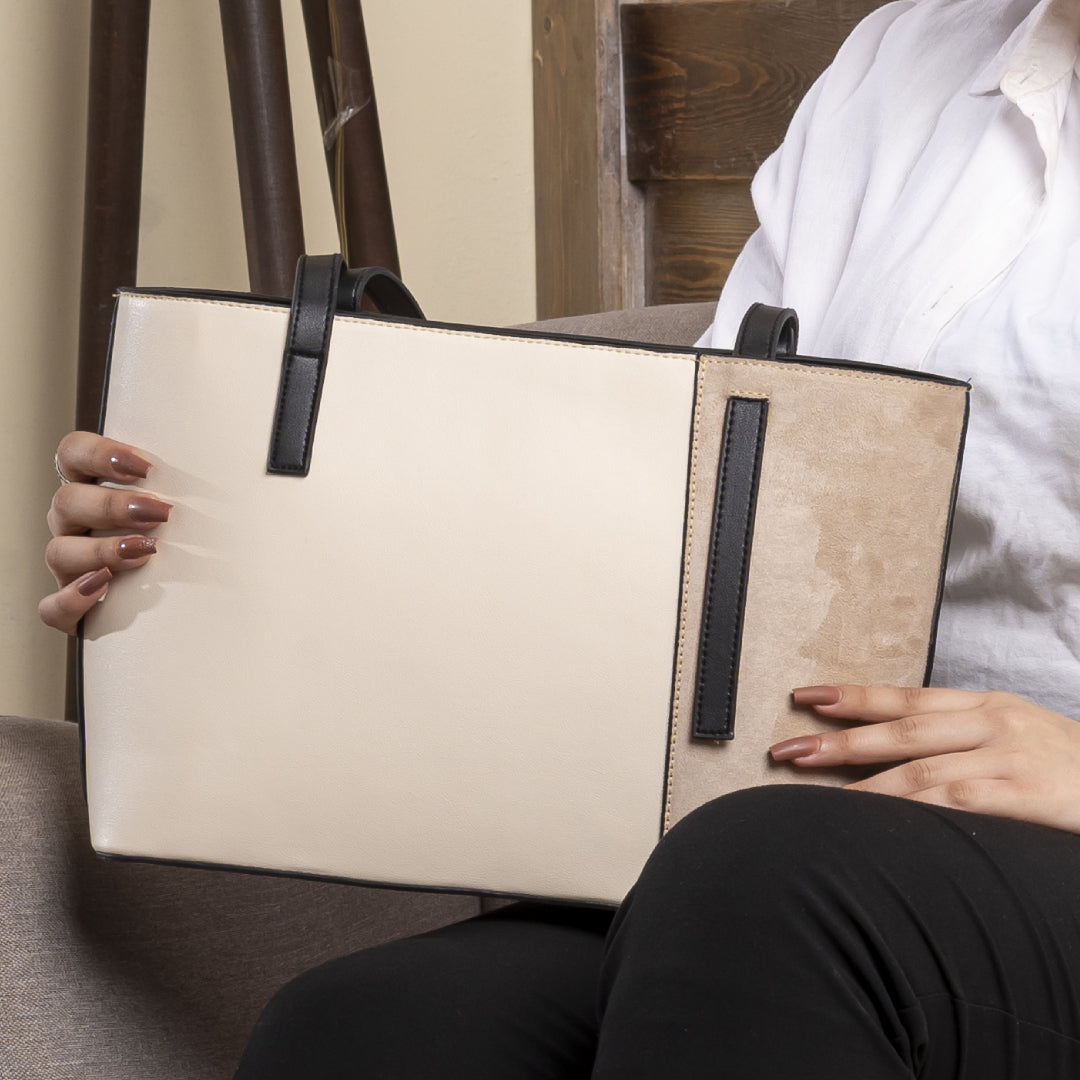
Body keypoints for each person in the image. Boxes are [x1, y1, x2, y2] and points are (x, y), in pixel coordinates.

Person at [41, 0, 1080, 1075]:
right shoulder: (902, 61)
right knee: (377, 1030)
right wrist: (208, 530)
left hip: (892, 858)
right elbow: (707, 498)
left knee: (763, 882)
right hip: (818, 823)